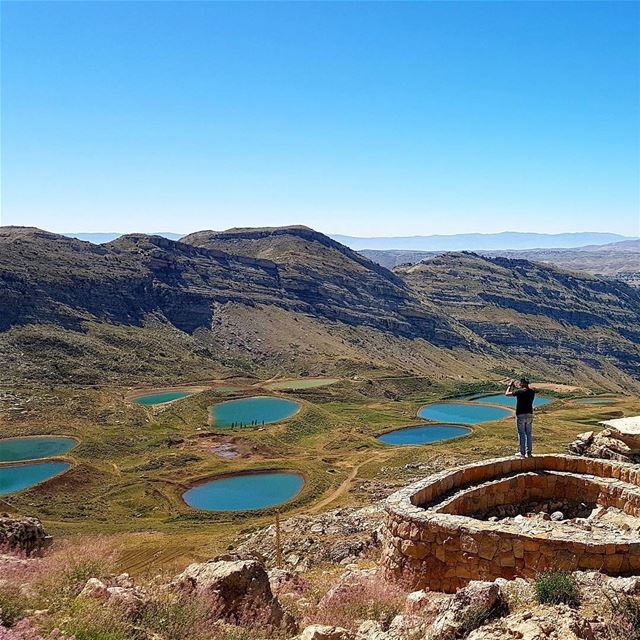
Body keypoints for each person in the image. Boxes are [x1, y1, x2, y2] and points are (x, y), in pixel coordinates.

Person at [505, 377, 536, 457]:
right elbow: (521, 391)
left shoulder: (520, 391)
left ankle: (522, 453)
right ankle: (529, 453)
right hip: (529, 414)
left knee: (521, 433)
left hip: (520, 414)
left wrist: (509, 386)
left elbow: (507, 394)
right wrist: (515, 387)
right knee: (528, 433)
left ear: (522, 383)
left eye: (520, 382)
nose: (519, 384)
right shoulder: (532, 392)